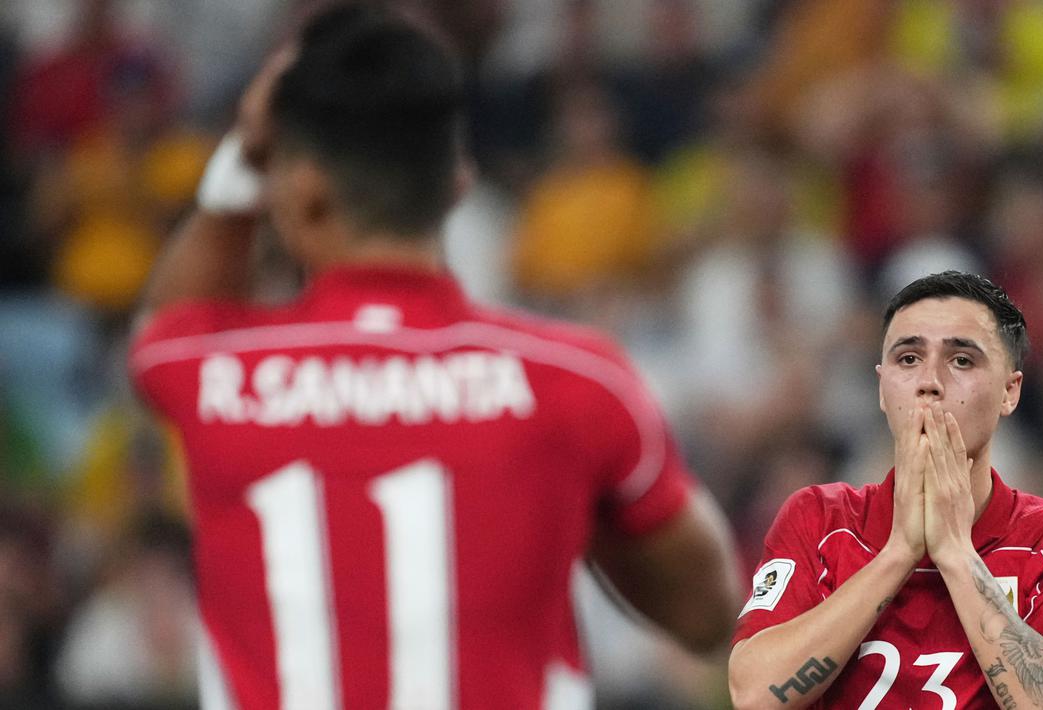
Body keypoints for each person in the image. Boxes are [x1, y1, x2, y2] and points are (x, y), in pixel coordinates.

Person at [127, 4, 743, 709]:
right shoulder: (577, 382)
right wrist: (573, 490)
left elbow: (163, 326)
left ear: (302, 189)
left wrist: (245, 155)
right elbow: (707, 616)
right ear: (458, 180)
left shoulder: (213, 372)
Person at [729, 271, 1043, 709]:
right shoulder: (819, 519)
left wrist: (956, 553)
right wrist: (899, 552)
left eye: (962, 360)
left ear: (1010, 392)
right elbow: (753, 696)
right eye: (909, 358)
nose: (929, 381)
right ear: (882, 388)